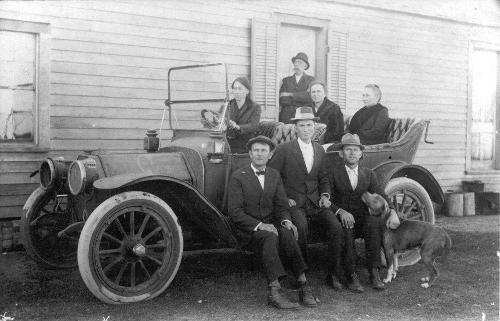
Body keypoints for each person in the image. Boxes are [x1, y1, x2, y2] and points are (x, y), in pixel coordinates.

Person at [228, 135, 317, 309]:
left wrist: (285, 221)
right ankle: (274, 291)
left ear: (270, 155)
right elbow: (235, 212)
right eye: (256, 150)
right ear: (250, 154)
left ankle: (303, 283)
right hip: (247, 229)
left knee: (287, 232)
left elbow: (281, 205)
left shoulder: (274, 175)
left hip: (271, 224)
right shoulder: (238, 176)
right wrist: (260, 225)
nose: (259, 154)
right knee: (269, 236)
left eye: (263, 151)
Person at [268, 107, 344, 290]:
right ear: (295, 128)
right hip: (294, 203)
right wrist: (284, 198)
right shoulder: (284, 149)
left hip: (316, 202)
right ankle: (301, 273)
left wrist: (325, 195)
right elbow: (273, 176)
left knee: (336, 228)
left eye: (309, 125)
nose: (306, 129)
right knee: (300, 228)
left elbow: (324, 177)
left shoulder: (319, 149)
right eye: (301, 125)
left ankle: (333, 273)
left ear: (315, 127)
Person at [327, 133, 394, 292]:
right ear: (341, 154)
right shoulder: (333, 173)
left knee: (374, 222)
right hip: (342, 216)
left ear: (361, 154)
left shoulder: (368, 173)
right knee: (347, 227)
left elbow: (382, 194)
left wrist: (392, 211)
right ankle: (351, 275)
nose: (352, 153)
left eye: (355, 150)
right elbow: (326, 199)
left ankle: (374, 271)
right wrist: (340, 212)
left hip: (362, 216)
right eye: (348, 150)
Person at [226, 76, 261, 153]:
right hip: (228, 143)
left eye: (240, 88)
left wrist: (237, 127)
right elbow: (221, 121)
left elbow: (253, 126)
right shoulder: (227, 105)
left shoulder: (255, 107)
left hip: (245, 144)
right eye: (235, 88)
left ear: (247, 91)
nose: (237, 91)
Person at [279, 52, 314, 124]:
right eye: (295, 62)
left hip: (304, 116)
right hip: (287, 116)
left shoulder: (311, 80)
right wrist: (302, 96)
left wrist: (290, 95)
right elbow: (282, 99)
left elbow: (310, 97)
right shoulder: (286, 80)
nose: (297, 64)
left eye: (300, 62)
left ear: (305, 66)